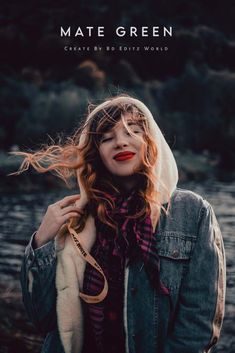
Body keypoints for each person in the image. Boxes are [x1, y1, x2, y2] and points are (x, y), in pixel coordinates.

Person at [17, 95, 226, 353]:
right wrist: (42, 241)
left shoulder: (193, 213)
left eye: (133, 131)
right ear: (96, 153)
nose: (121, 142)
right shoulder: (74, 217)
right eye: (107, 138)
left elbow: (198, 326)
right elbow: (43, 319)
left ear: (151, 142)